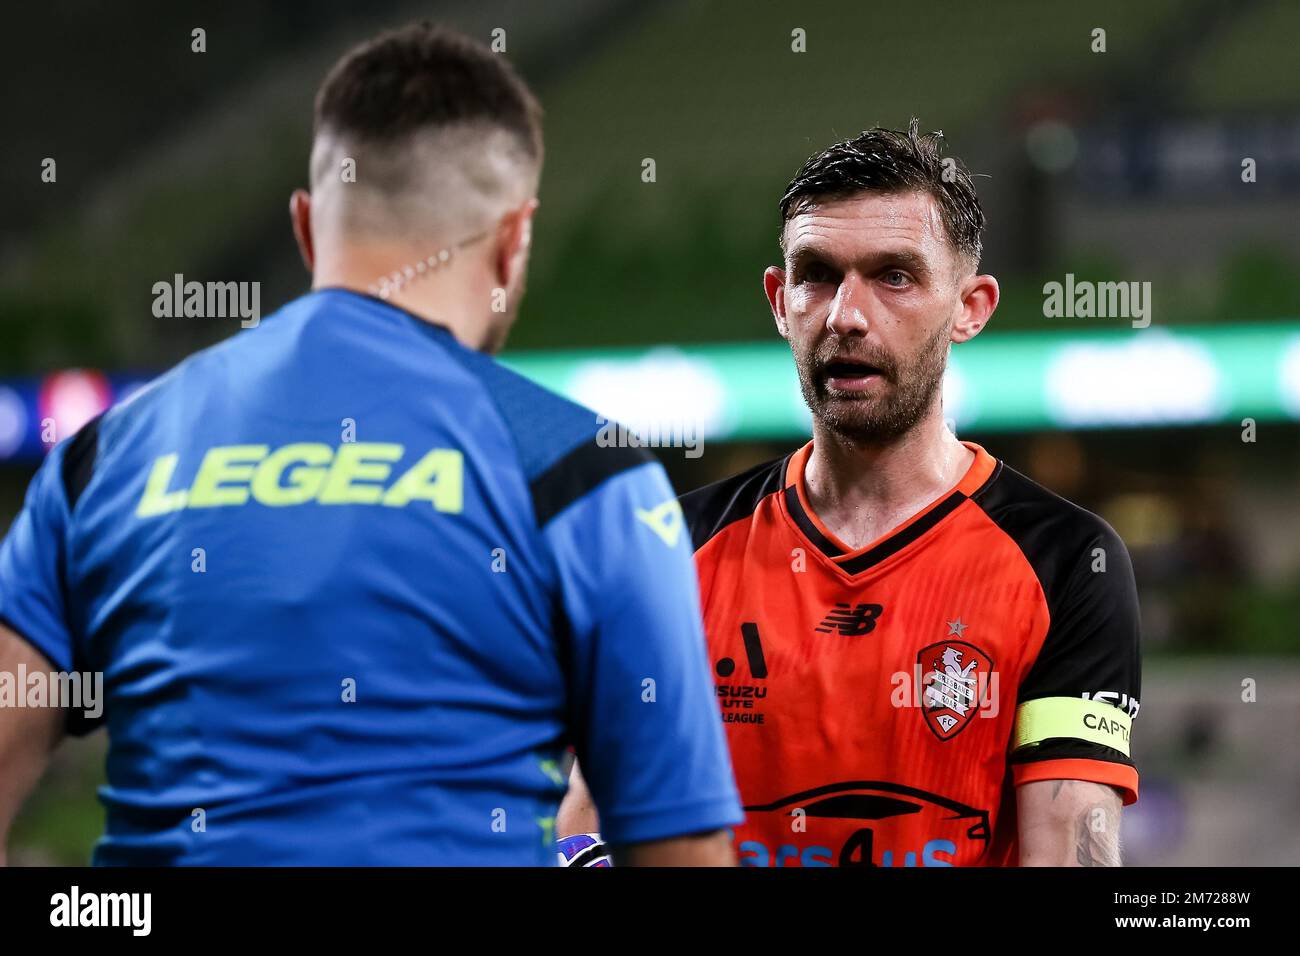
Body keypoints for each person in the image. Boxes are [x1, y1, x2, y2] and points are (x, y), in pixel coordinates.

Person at [0, 22, 740, 866]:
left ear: (308, 227)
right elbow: (679, 850)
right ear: (514, 241)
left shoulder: (103, 461)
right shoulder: (584, 475)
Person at [559, 120, 1141, 867]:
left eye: (894, 276)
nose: (846, 316)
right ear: (779, 300)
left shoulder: (1068, 561)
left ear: (971, 307)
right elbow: (593, 824)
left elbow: (1071, 848)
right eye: (818, 275)